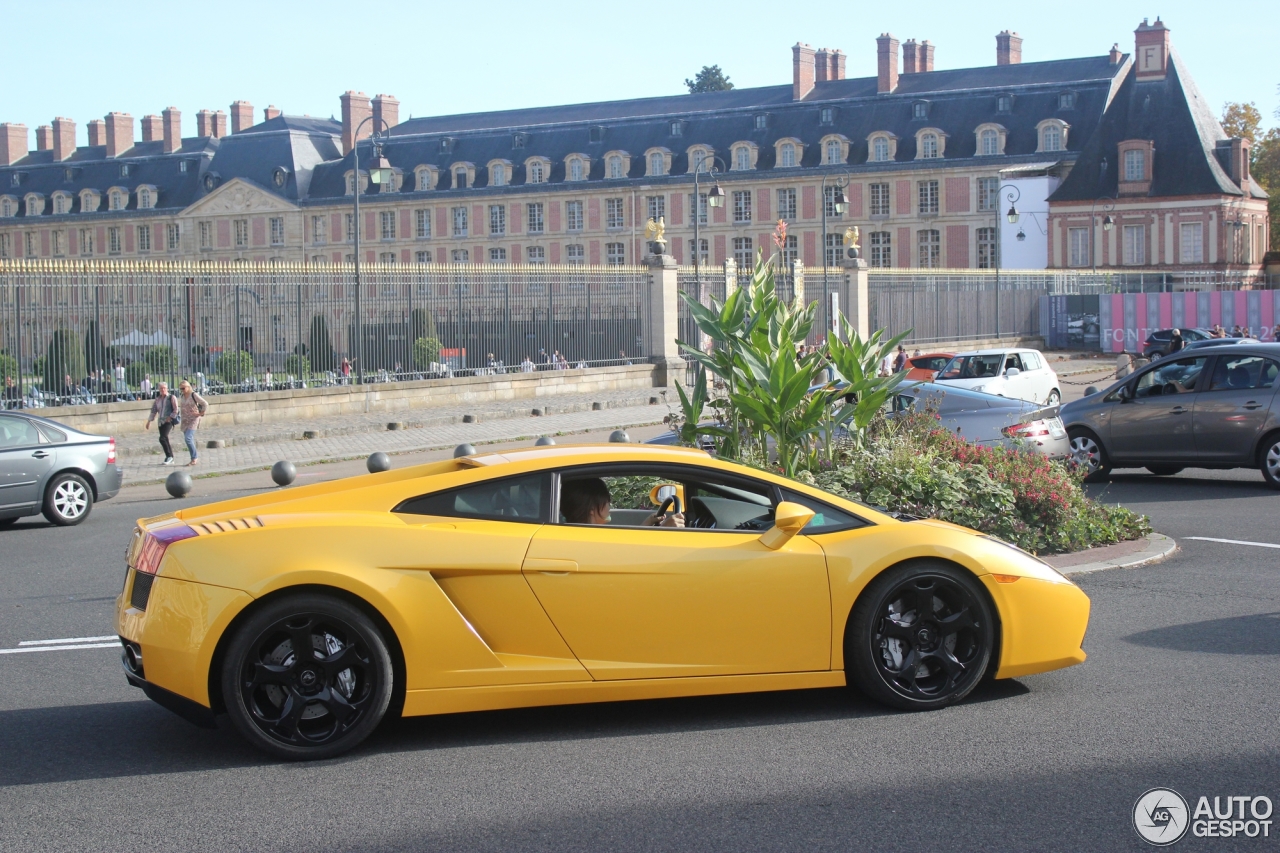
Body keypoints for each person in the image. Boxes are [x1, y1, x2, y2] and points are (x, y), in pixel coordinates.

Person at [560, 478, 684, 527]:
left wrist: (647, 523)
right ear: (591, 508)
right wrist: (664, 530)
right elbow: (632, 553)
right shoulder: (591, 538)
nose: (609, 505)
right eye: (606, 501)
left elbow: (630, 544)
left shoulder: (581, 533)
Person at [144, 381, 179, 465]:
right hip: (160, 421)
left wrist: (170, 417)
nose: (163, 390)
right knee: (165, 438)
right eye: (161, 388)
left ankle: (169, 456)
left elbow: (176, 409)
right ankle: (170, 457)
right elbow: (154, 410)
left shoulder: (171, 397)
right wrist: (149, 421)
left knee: (162, 438)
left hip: (168, 421)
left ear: (167, 389)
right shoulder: (158, 399)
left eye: (164, 388)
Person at [176, 379, 208, 467]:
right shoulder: (182, 396)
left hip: (194, 419)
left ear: (188, 387)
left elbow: (205, 403)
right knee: (188, 439)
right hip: (185, 420)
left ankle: (194, 458)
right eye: (180, 389)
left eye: (183, 388)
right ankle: (193, 457)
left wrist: (200, 413)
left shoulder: (193, 395)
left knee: (188, 438)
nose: (182, 390)